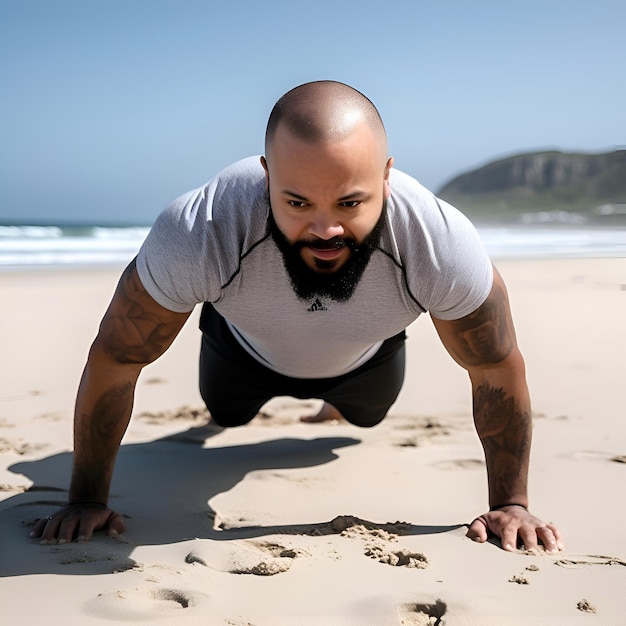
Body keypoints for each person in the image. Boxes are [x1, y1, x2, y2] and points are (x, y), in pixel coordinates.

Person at [31, 80, 563, 553]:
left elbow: (494, 366)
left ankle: (335, 401)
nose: (326, 229)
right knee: (228, 413)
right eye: (299, 203)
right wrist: (85, 499)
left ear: (386, 176)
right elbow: (118, 357)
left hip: (367, 358)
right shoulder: (202, 229)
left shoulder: (435, 240)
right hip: (240, 350)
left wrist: (512, 503)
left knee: (359, 424)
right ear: (266, 176)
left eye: (351, 203)